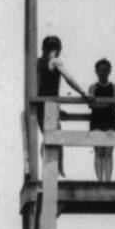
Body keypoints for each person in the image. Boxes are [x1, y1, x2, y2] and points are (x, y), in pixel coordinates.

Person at [37, 36, 89, 176]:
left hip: (41, 106)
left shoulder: (38, 63)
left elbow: (40, 87)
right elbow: (69, 79)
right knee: (54, 136)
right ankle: (55, 169)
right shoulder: (55, 61)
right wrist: (83, 93)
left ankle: (54, 169)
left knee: (50, 135)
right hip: (50, 105)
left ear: (43, 48)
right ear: (59, 49)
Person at [87, 58, 115, 182]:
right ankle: (100, 181)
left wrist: (99, 103)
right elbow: (90, 104)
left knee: (108, 151)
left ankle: (108, 181)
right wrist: (108, 104)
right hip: (96, 120)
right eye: (100, 70)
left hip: (110, 120)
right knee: (98, 151)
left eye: (105, 70)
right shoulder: (92, 87)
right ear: (96, 71)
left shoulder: (114, 86)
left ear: (109, 71)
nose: (102, 73)